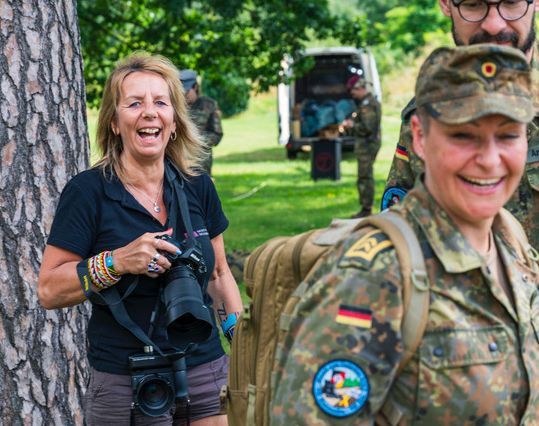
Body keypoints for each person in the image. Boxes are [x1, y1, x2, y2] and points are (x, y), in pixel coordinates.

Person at [271, 45, 539, 424]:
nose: (490, 159)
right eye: (464, 135)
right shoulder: (373, 278)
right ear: (419, 137)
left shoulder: (512, 245)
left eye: (508, 135)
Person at [37, 53, 242, 425]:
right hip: (126, 378)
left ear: (174, 122)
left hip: (205, 368)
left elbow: (218, 274)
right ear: (115, 123)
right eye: (134, 104)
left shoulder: (198, 186)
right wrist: (116, 262)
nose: (149, 112)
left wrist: (241, 342)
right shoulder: (88, 192)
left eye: (160, 102)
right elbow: (50, 290)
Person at [383, 0, 539, 249]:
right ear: (446, 4)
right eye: (473, 5)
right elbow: (403, 230)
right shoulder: (430, 110)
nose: (493, 25)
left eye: (511, 2)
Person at [341, 75, 382, 218]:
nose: (352, 93)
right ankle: (365, 208)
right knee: (363, 176)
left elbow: (367, 127)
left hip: (367, 146)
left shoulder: (368, 104)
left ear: (361, 88)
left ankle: (366, 209)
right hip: (365, 145)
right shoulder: (366, 103)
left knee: (365, 177)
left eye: (354, 90)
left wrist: (351, 126)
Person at [180, 69, 223, 176]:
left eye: (186, 91)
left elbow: (217, 134)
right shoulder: (175, 107)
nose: (184, 95)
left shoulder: (209, 105)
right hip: (179, 162)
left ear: (195, 87)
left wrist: (196, 140)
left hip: (202, 164)